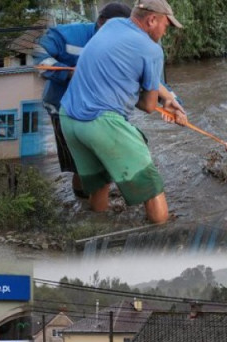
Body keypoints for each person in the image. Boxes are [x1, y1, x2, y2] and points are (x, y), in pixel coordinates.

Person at [59, 0, 187, 224]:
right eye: (166, 25)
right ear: (152, 20)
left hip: (68, 118)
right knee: (151, 187)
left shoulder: (113, 24)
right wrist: (157, 100)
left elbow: (137, 74)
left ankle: (97, 231)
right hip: (101, 122)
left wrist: (166, 97)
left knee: (100, 185)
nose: (166, 32)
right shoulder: (152, 50)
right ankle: (163, 236)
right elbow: (148, 106)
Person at [35, 2, 132, 198]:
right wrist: (70, 74)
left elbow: (150, 81)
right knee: (80, 164)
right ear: (101, 22)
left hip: (104, 111)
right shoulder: (67, 35)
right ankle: (83, 203)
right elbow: (38, 55)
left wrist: (172, 102)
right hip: (62, 108)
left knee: (107, 158)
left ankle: (96, 196)